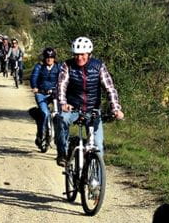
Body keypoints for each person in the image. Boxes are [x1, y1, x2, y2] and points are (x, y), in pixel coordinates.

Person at [54, 36, 125, 166]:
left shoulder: (99, 67)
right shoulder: (67, 66)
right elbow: (61, 85)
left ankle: (96, 180)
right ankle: (62, 153)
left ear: (89, 54)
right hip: (73, 108)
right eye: (76, 55)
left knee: (98, 146)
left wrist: (115, 108)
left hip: (93, 110)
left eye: (82, 54)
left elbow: (110, 88)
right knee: (61, 119)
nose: (79, 58)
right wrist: (63, 103)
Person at [30, 47, 62, 150]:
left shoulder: (58, 67)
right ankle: (41, 135)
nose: (49, 59)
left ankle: (60, 138)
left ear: (54, 58)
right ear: (44, 58)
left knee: (60, 115)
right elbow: (34, 77)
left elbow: (63, 78)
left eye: (52, 57)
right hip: (41, 94)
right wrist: (35, 87)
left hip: (55, 94)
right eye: (47, 57)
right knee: (44, 113)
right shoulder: (39, 67)